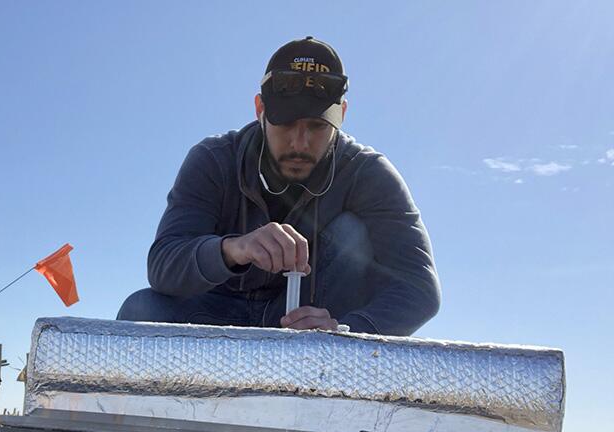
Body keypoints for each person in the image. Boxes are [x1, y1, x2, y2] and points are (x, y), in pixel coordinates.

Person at [117, 37, 440, 336]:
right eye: (285, 123)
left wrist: (348, 329)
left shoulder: (369, 173)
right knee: (141, 309)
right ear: (260, 110)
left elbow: (420, 288)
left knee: (350, 233)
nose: (300, 143)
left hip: (311, 324)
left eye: (317, 126)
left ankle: (325, 362)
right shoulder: (212, 159)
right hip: (215, 311)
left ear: (341, 115)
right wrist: (233, 249)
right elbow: (162, 266)